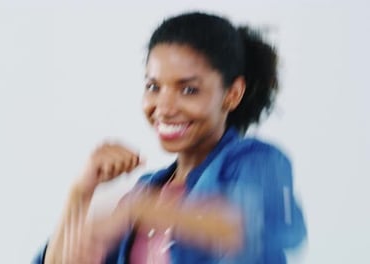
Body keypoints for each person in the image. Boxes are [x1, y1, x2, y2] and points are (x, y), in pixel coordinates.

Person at [33, 11, 306, 264]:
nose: (164, 107)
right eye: (154, 87)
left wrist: (137, 210)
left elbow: (248, 226)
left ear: (232, 94)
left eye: (188, 90)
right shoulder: (147, 190)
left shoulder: (257, 161)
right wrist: (80, 193)